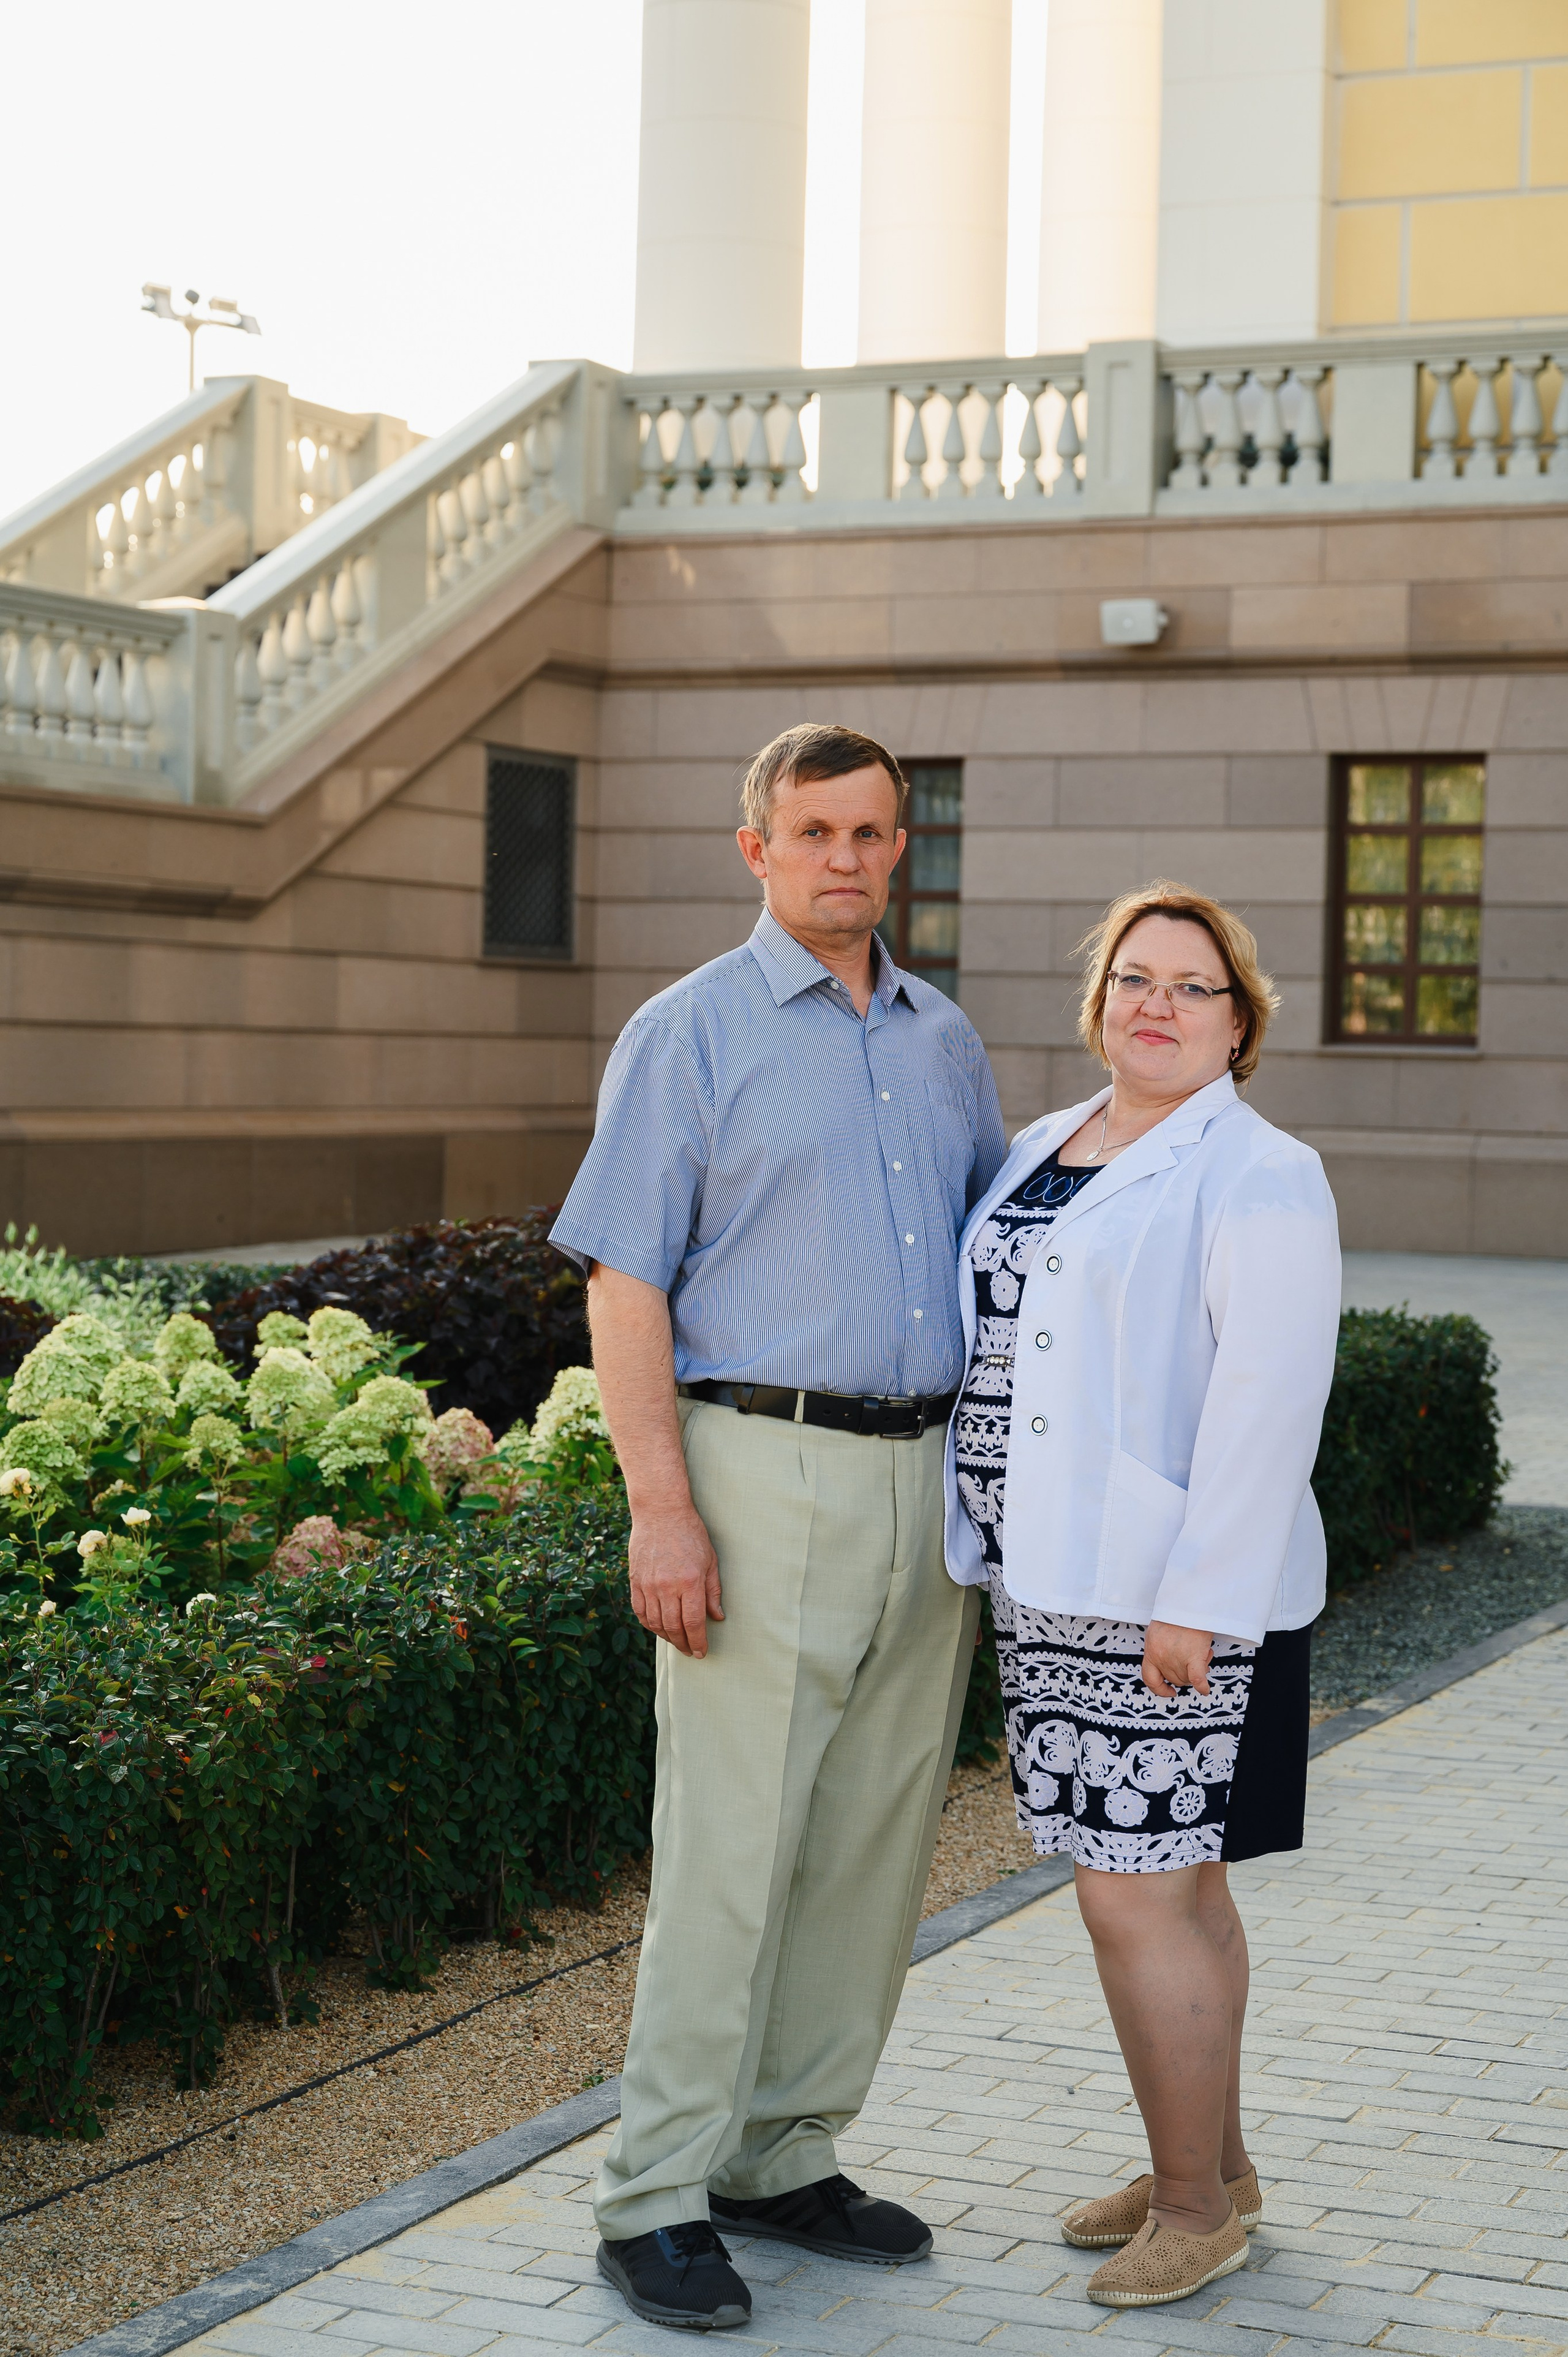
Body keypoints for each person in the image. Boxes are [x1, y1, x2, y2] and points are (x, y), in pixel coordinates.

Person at [551, 722, 1006, 2332]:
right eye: (814, 831)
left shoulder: (949, 1042)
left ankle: (783, 2153)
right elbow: (626, 1282)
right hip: (760, 1472)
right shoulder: (690, 1034)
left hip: (920, 1482)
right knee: (731, 1856)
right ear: (757, 848)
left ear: (902, 851)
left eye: (873, 833)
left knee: (873, 1846)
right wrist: (659, 1512)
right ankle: (654, 2193)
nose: (845, 859)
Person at [944, 880, 1340, 2311]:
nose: (1155, 1004)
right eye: (1132, 977)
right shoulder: (1047, 1143)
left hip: (1154, 1602)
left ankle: (1190, 2210)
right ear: (1097, 997)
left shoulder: (1258, 1170)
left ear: (1239, 1023)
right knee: (1176, 1892)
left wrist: (1198, 1595)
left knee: (1134, 1905)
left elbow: (1267, 1398)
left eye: (1191, 985)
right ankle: (1209, 2162)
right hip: (1044, 1580)